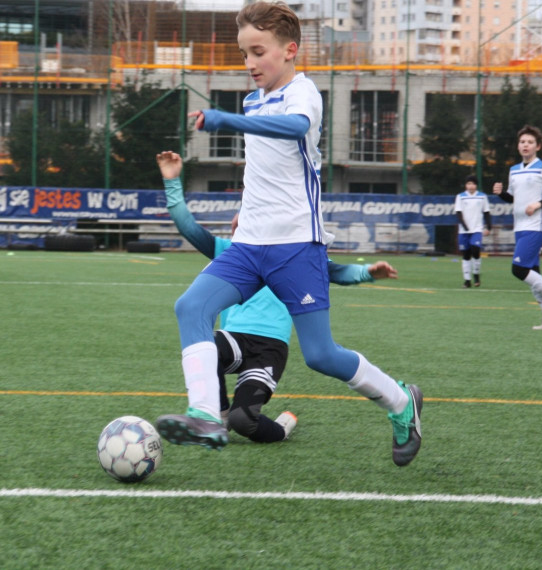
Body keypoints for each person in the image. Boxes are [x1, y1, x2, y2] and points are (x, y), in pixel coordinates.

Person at [155, 1, 422, 467]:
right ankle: (207, 417)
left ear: (290, 50)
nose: (250, 63)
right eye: (243, 54)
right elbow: (261, 174)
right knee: (190, 307)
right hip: (249, 245)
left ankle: (401, 401)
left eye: (258, 51)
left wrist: (225, 120)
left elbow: (293, 129)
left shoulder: (304, 95)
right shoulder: (253, 100)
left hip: (296, 245)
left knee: (321, 355)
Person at [157, 150, 398, 443]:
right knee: (210, 344)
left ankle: (282, 427)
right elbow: (188, 227)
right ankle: (214, 416)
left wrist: (368, 273)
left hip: (270, 349)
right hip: (235, 339)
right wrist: (172, 181)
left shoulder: (294, 257)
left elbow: (335, 271)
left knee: (243, 421)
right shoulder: (230, 254)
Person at [492, 125, 542, 330]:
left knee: (518, 269)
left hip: (536, 225)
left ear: (538, 146)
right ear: (518, 146)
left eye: (530, 142)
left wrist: (539, 204)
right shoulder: (514, 170)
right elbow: (514, 198)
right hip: (520, 226)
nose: (525, 145)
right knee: (533, 272)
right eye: (522, 142)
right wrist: (501, 194)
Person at [454, 174, 492, 288]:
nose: (471, 186)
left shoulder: (482, 197)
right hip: (464, 231)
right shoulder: (460, 196)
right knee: (466, 254)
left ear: (476, 185)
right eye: (468, 183)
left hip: (477, 229)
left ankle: (476, 274)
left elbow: (487, 212)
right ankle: (467, 280)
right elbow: (458, 213)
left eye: (473, 184)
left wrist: (489, 227)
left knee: (475, 250)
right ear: (466, 185)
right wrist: (465, 226)